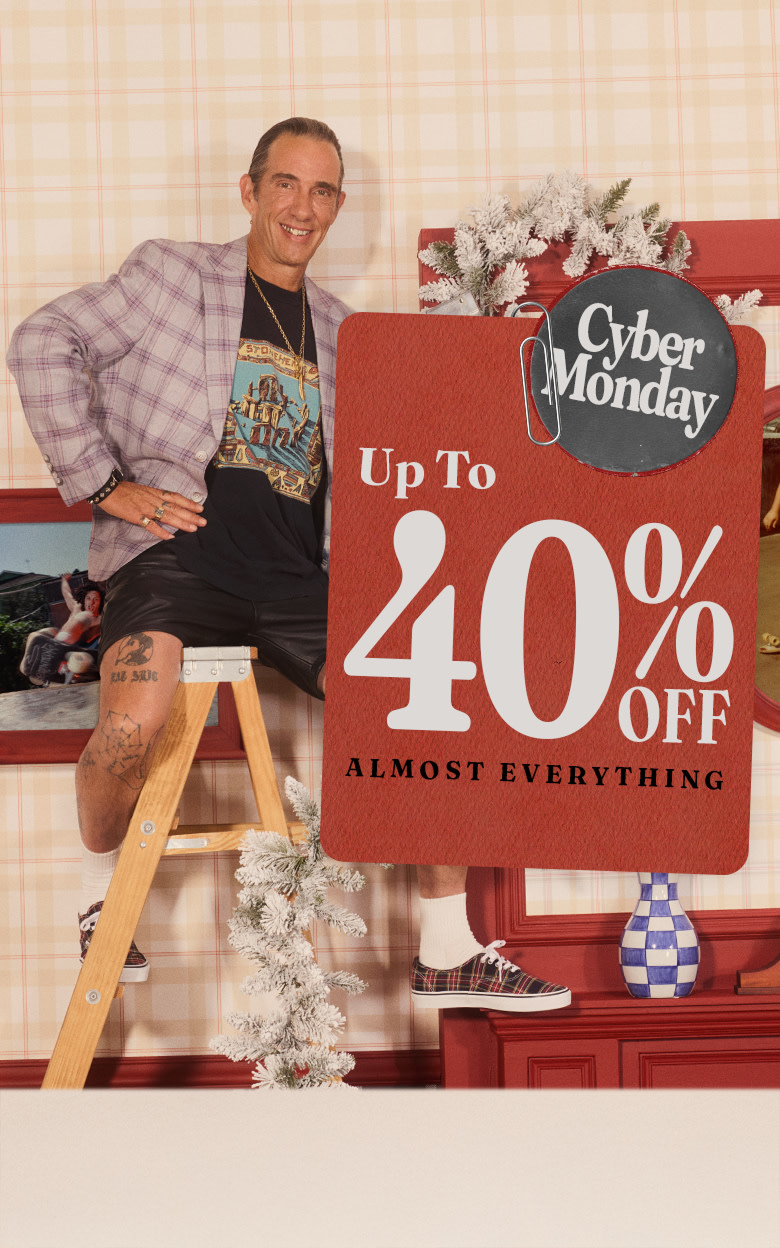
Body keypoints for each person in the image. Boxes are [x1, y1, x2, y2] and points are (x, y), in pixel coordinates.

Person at [8, 117, 570, 1009]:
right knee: (127, 729)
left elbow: (402, 462)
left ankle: (445, 949)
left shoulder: (350, 335)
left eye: (321, 190)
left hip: (300, 579)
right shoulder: (172, 275)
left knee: (434, 704)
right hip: (174, 561)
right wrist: (103, 482)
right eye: (285, 184)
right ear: (251, 189)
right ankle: (105, 903)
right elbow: (41, 341)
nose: (301, 206)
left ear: (338, 205)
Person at [20, 575, 103, 685]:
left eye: (96, 599)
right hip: (63, 646)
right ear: (84, 599)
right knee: (37, 635)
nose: (91, 602)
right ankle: (37, 664)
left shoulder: (102, 617)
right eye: (89, 598)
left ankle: (61, 650)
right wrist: (64, 580)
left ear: (100, 602)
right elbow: (66, 593)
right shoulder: (76, 607)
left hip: (88, 650)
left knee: (89, 620)